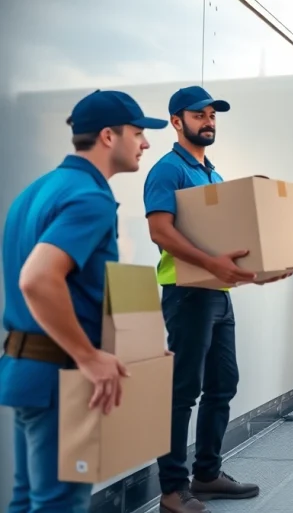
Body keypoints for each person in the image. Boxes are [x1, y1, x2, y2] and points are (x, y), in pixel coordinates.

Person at [0, 90, 167, 512]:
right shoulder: (90, 198)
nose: (145, 143)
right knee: (58, 506)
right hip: (62, 379)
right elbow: (38, 280)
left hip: (27, 372)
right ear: (108, 137)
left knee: (29, 502)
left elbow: (80, 291)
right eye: (138, 133)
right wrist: (89, 356)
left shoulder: (38, 190)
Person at [144, 86, 288, 513]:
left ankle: (206, 473)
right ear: (176, 120)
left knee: (223, 384)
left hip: (219, 296)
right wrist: (213, 263)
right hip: (187, 295)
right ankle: (172, 488)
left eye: (212, 115)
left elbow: (227, 241)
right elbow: (160, 231)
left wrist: (254, 271)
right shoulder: (168, 170)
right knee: (182, 390)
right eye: (198, 115)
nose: (208, 121)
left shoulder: (213, 175)